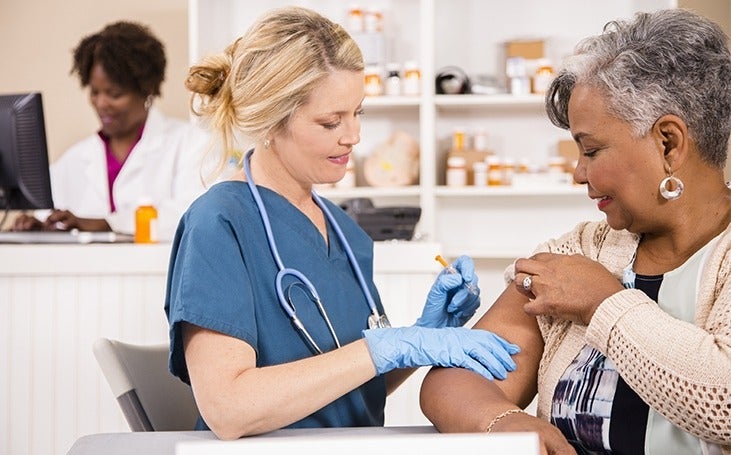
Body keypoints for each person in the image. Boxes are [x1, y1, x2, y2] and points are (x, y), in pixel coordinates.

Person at [163, 6, 519, 440]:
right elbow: (229, 409)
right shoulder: (219, 224)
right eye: (331, 121)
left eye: (358, 113)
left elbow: (354, 389)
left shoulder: (346, 233)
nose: (353, 136)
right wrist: (387, 346)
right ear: (271, 121)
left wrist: (420, 337)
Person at [420, 8, 731, 455]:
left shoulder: (587, 279)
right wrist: (500, 420)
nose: (578, 172)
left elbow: (723, 403)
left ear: (669, 143)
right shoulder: (579, 250)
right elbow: (453, 379)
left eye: (591, 149)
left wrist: (601, 302)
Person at [12, 21, 209, 240]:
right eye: (95, 92)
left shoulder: (191, 145)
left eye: (114, 93)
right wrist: (39, 227)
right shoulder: (74, 159)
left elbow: (194, 216)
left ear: (147, 90)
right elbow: (51, 216)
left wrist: (107, 224)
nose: (101, 103)